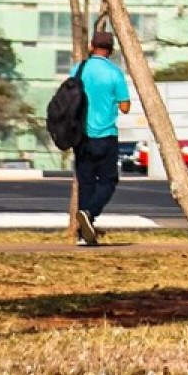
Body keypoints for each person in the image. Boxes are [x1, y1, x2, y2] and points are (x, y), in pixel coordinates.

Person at [72, 27, 131, 246]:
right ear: (111, 50)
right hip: (105, 134)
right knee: (108, 180)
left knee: (85, 182)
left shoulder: (78, 69)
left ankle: (82, 234)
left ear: (90, 46)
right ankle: (90, 213)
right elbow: (124, 107)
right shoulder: (115, 73)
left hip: (81, 136)